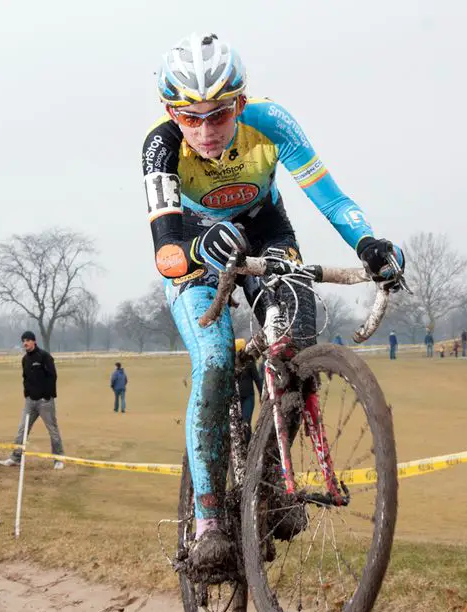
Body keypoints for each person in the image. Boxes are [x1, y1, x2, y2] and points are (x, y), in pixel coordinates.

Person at [143, 33, 405, 571]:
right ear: (172, 113)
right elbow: (165, 250)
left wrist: (368, 245)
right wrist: (196, 245)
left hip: (264, 230)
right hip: (193, 242)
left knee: (295, 336)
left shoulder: (273, 122)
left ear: (241, 103)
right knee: (215, 361)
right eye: (191, 118)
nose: (206, 130)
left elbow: (329, 197)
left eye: (219, 115)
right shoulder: (160, 145)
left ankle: (271, 478)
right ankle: (209, 519)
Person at [0, 331, 66, 470]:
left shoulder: (44, 356)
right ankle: (16, 458)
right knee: (22, 429)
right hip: (30, 401)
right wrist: (27, 393)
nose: (25, 343)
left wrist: (48, 395)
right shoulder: (25, 359)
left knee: (52, 430)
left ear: (34, 341)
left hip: (45, 401)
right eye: (23, 341)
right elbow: (25, 377)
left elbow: (52, 376)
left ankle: (58, 459)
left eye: (28, 340)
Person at [234, 339, 262, 425]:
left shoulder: (249, 363)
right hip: (236, 399)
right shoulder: (231, 364)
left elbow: (257, 380)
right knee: (237, 423)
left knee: (246, 421)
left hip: (248, 397)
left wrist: (262, 394)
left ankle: (248, 438)